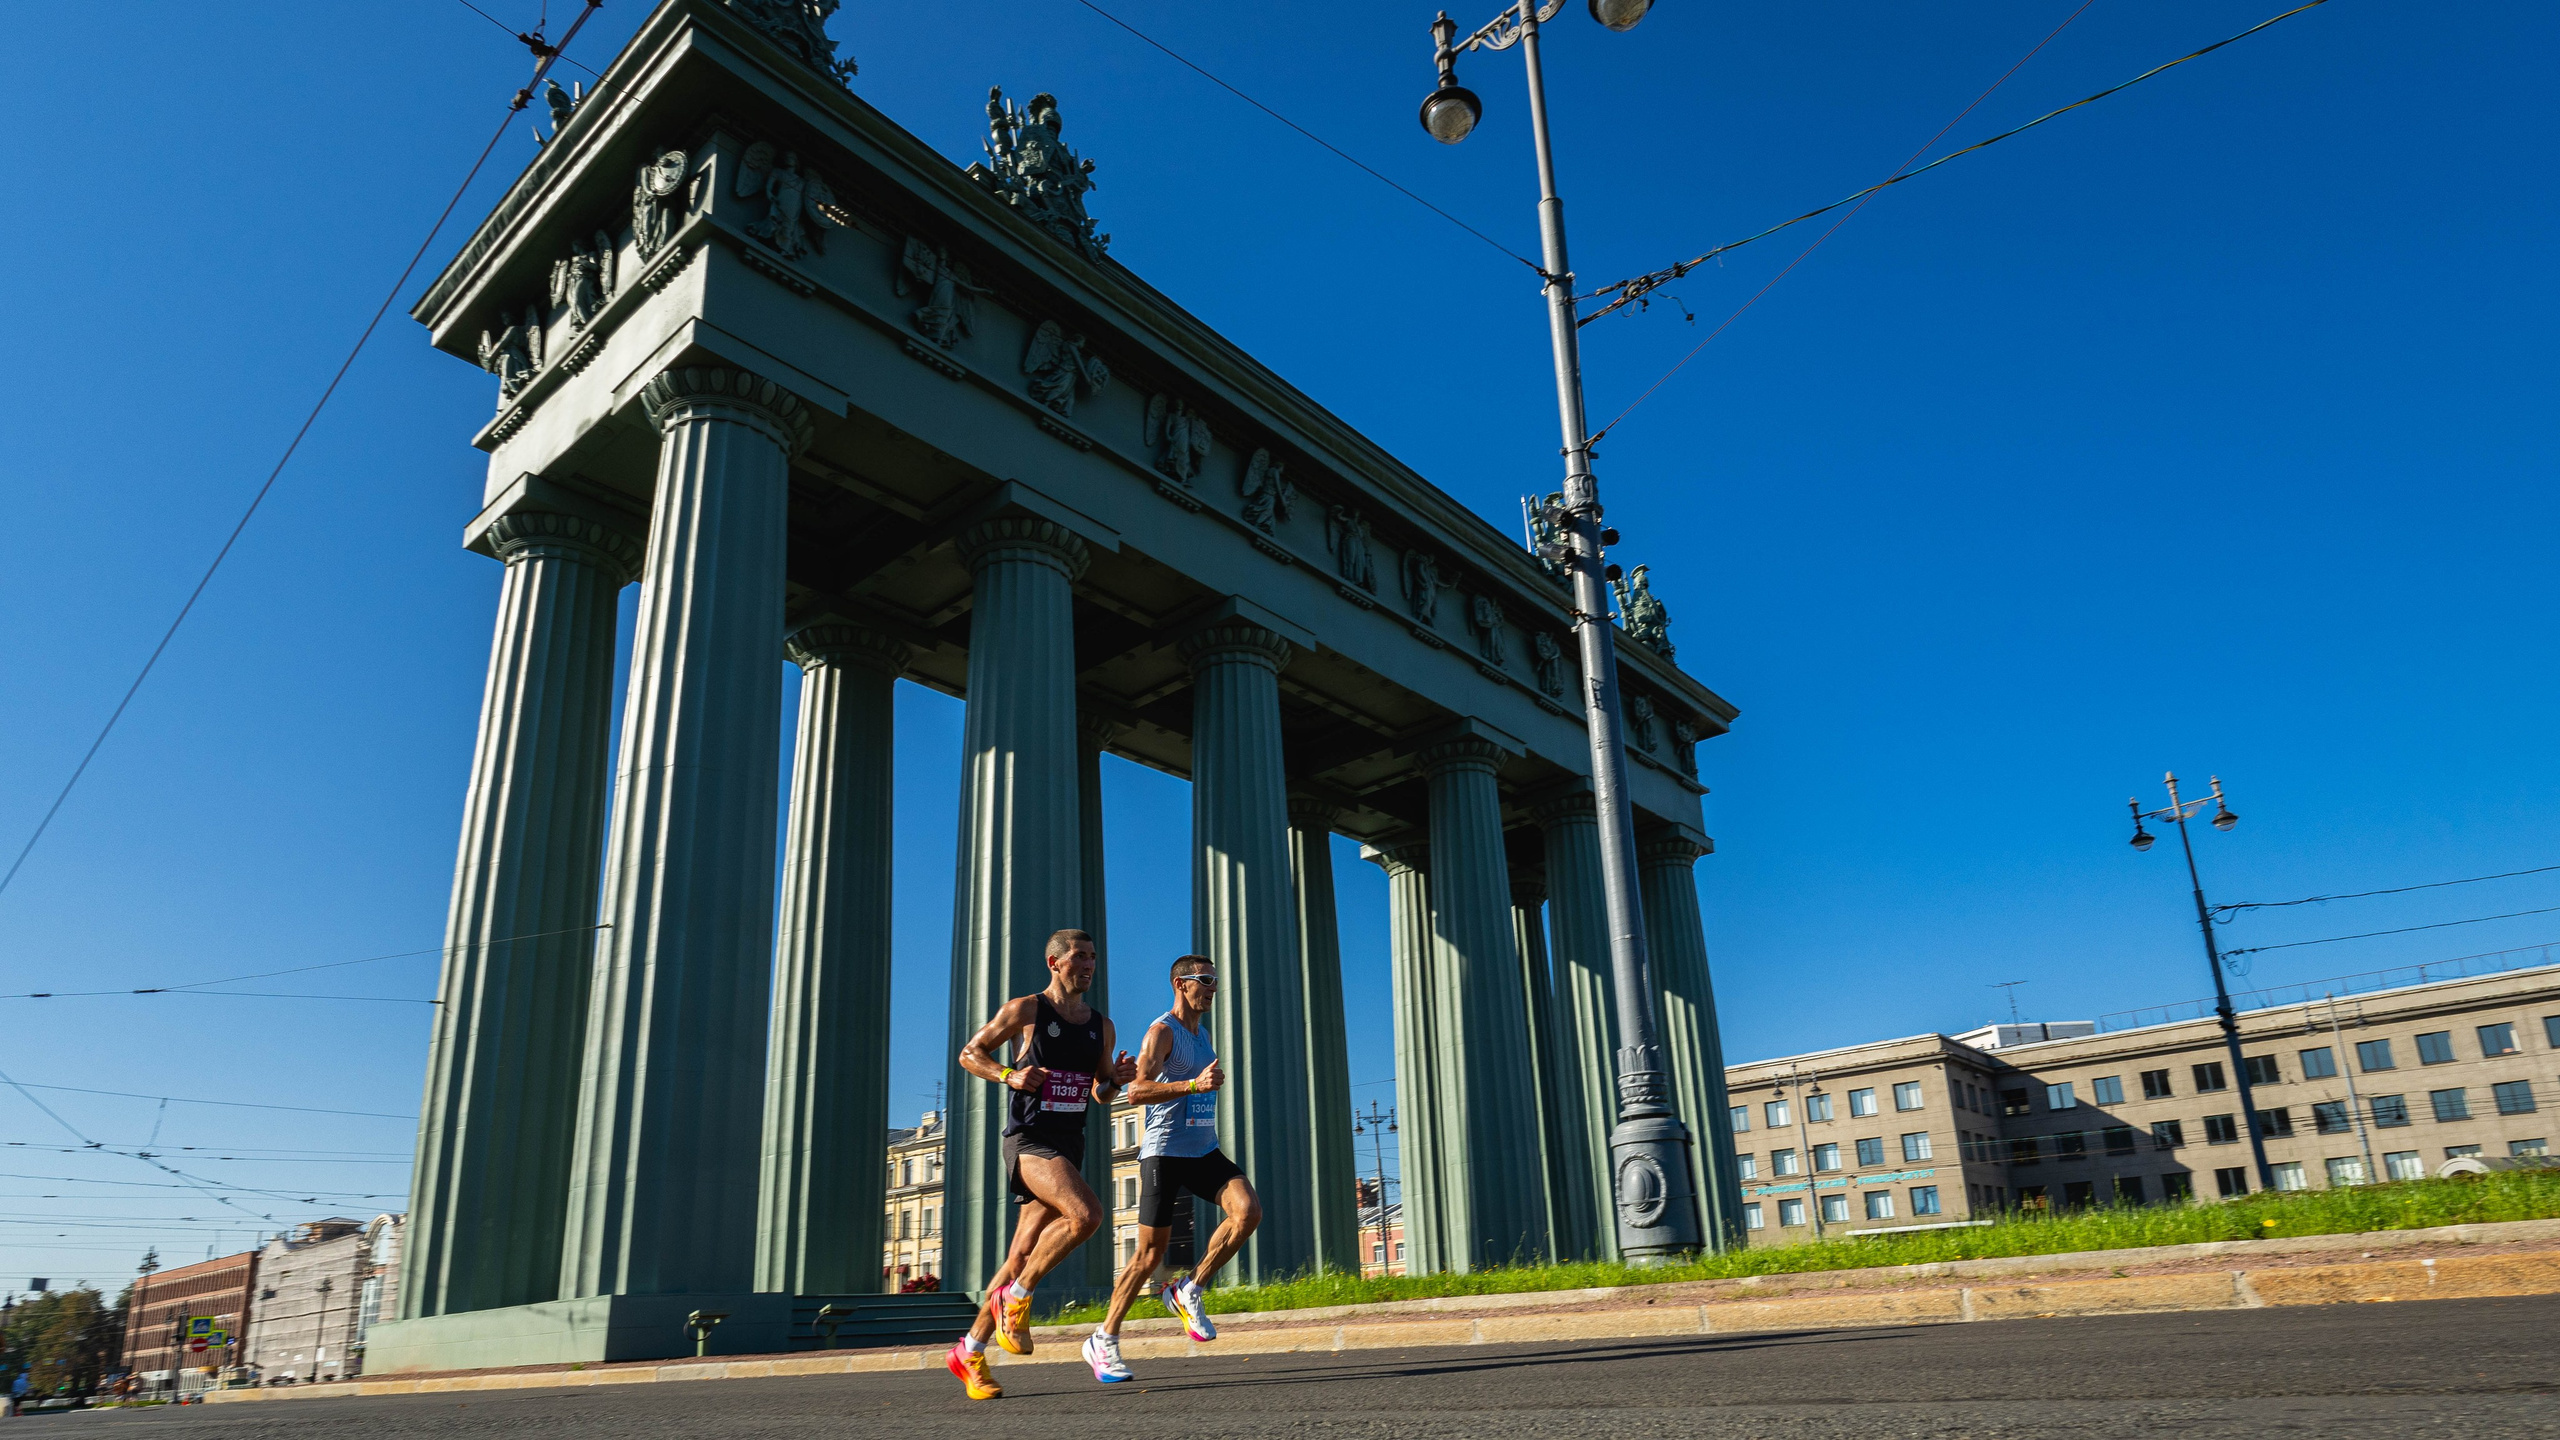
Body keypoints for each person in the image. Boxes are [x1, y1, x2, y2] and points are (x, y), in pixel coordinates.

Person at [944, 928, 1135, 1402]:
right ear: (1055, 962)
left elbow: (1101, 1091)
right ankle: (1018, 1296)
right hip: (1030, 1141)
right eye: (1079, 957)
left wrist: (1118, 1081)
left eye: (1093, 957)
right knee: (1087, 1215)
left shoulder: (1101, 1026)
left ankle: (969, 1349)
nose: (1089, 964)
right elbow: (971, 1053)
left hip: (1070, 1143)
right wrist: (1010, 1074)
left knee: (1019, 1254)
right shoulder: (1026, 1010)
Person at [1082, 953, 1263, 1385]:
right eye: (1205, 980)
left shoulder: (1204, 1037)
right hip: (1163, 1153)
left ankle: (1189, 1289)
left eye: (1216, 981)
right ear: (1181, 983)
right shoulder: (1162, 1032)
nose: (1213, 988)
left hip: (1203, 1150)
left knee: (1247, 1211)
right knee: (1149, 1255)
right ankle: (1103, 1338)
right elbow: (1137, 1092)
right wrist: (1193, 1084)